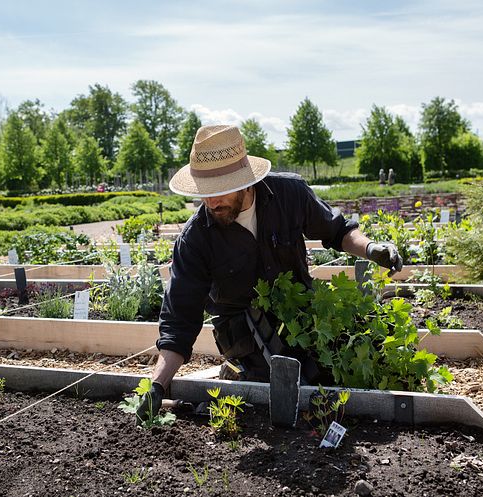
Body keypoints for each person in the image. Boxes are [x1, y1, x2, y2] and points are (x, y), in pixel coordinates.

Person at [136, 125, 402, 420]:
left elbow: (337, 230)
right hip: (245, 333)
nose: (211, 202)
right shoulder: (196, 238)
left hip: (303, 317)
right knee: (286, 388)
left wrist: (371, 249)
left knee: (349, 361)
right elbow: (179, 323)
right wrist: (157, 386)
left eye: (219, 192)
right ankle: (240, 372)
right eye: (204, 193)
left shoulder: (289, 194)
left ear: (245, 182)